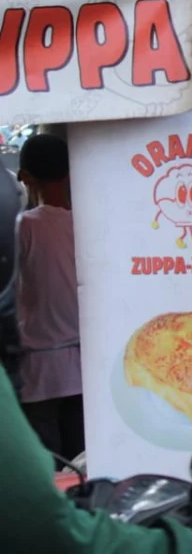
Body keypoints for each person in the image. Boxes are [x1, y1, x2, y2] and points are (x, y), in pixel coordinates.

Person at [0, 165, 192, 554]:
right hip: (69, 366)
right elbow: (54, 542)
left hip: (50, 366)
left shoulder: (38, 227)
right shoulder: (73, 224)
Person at [15, 134, 84, 459]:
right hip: (85, 369)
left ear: (24, 177)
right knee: (85, 465)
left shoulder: (24, 227)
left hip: (38, 372)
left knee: (51, 469)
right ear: (70, 173)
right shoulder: (89, 224)